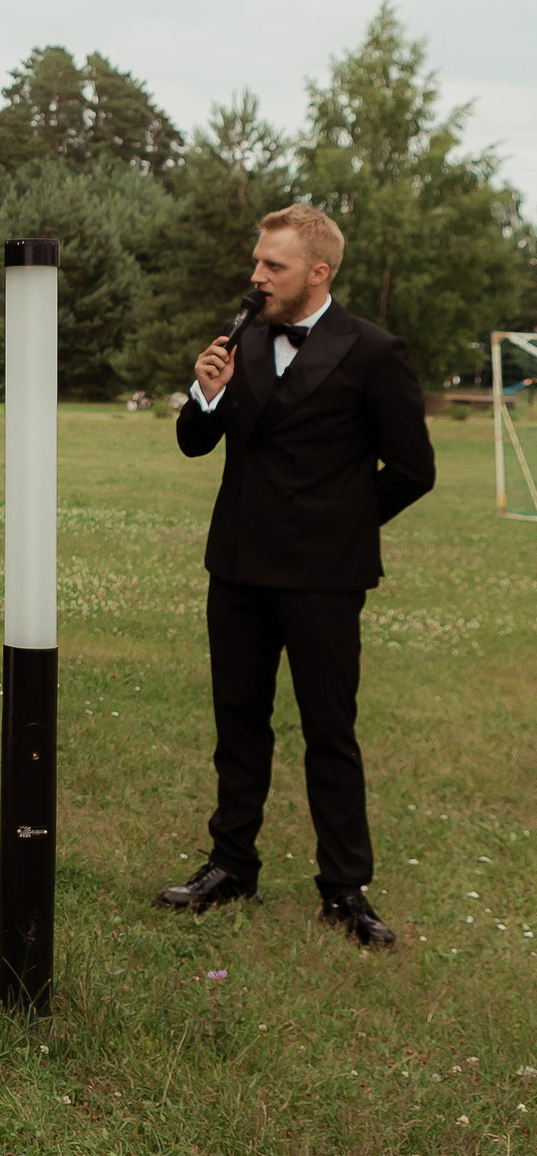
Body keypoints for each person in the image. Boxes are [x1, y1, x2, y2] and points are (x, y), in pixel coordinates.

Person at [160, 203, 435, 948]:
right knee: (237, 720)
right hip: (239, 565)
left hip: (323, 575)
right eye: (257, 262)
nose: (256, 276)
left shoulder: (373, 351)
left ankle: (345, 889)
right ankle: (231, 865)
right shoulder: (242, 336)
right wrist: (207, 392)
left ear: (318, 272)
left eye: (272, 266)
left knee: (330, 731)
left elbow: (414, 469)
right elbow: (194, 443)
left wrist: (341, 524)